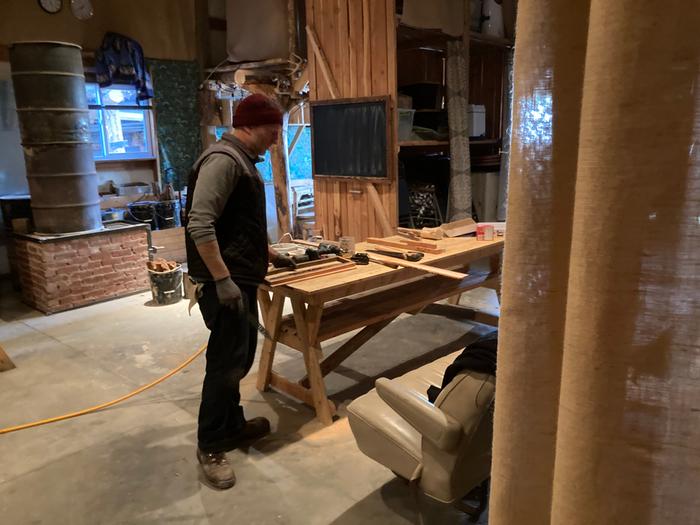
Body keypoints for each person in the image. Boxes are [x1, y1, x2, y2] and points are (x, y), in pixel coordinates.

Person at [185, 94, 295, 489]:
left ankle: (231, 426)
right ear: (249, 125)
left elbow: (238, 223)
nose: (275, 140)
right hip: (226, 285)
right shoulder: (223, 162)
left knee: (238, 360)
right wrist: (222, 279)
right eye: (272, 131)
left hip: (241, 279)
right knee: (224, 365)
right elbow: (201, 224)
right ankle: (210, 444)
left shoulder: (243, 162)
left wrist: (267, 253)